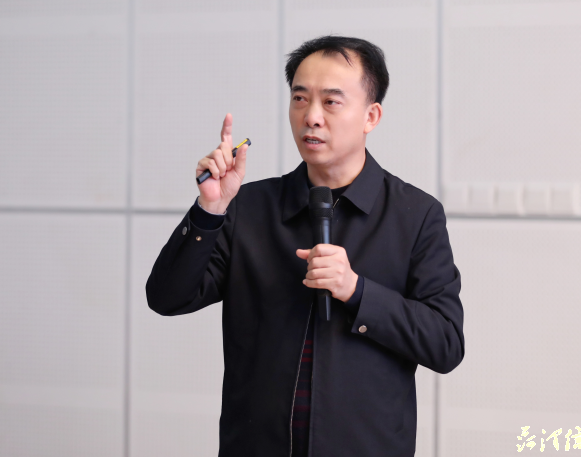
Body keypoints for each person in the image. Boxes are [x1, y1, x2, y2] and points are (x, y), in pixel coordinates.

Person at [146, 35, 464, 457]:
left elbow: (445, 344)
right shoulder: (248, 206)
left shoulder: (415, 215)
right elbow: (166, 298)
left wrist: (357, 291)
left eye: (331, 102)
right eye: (300, 98)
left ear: (371, 116)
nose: (311, 116)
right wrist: (210, 210)